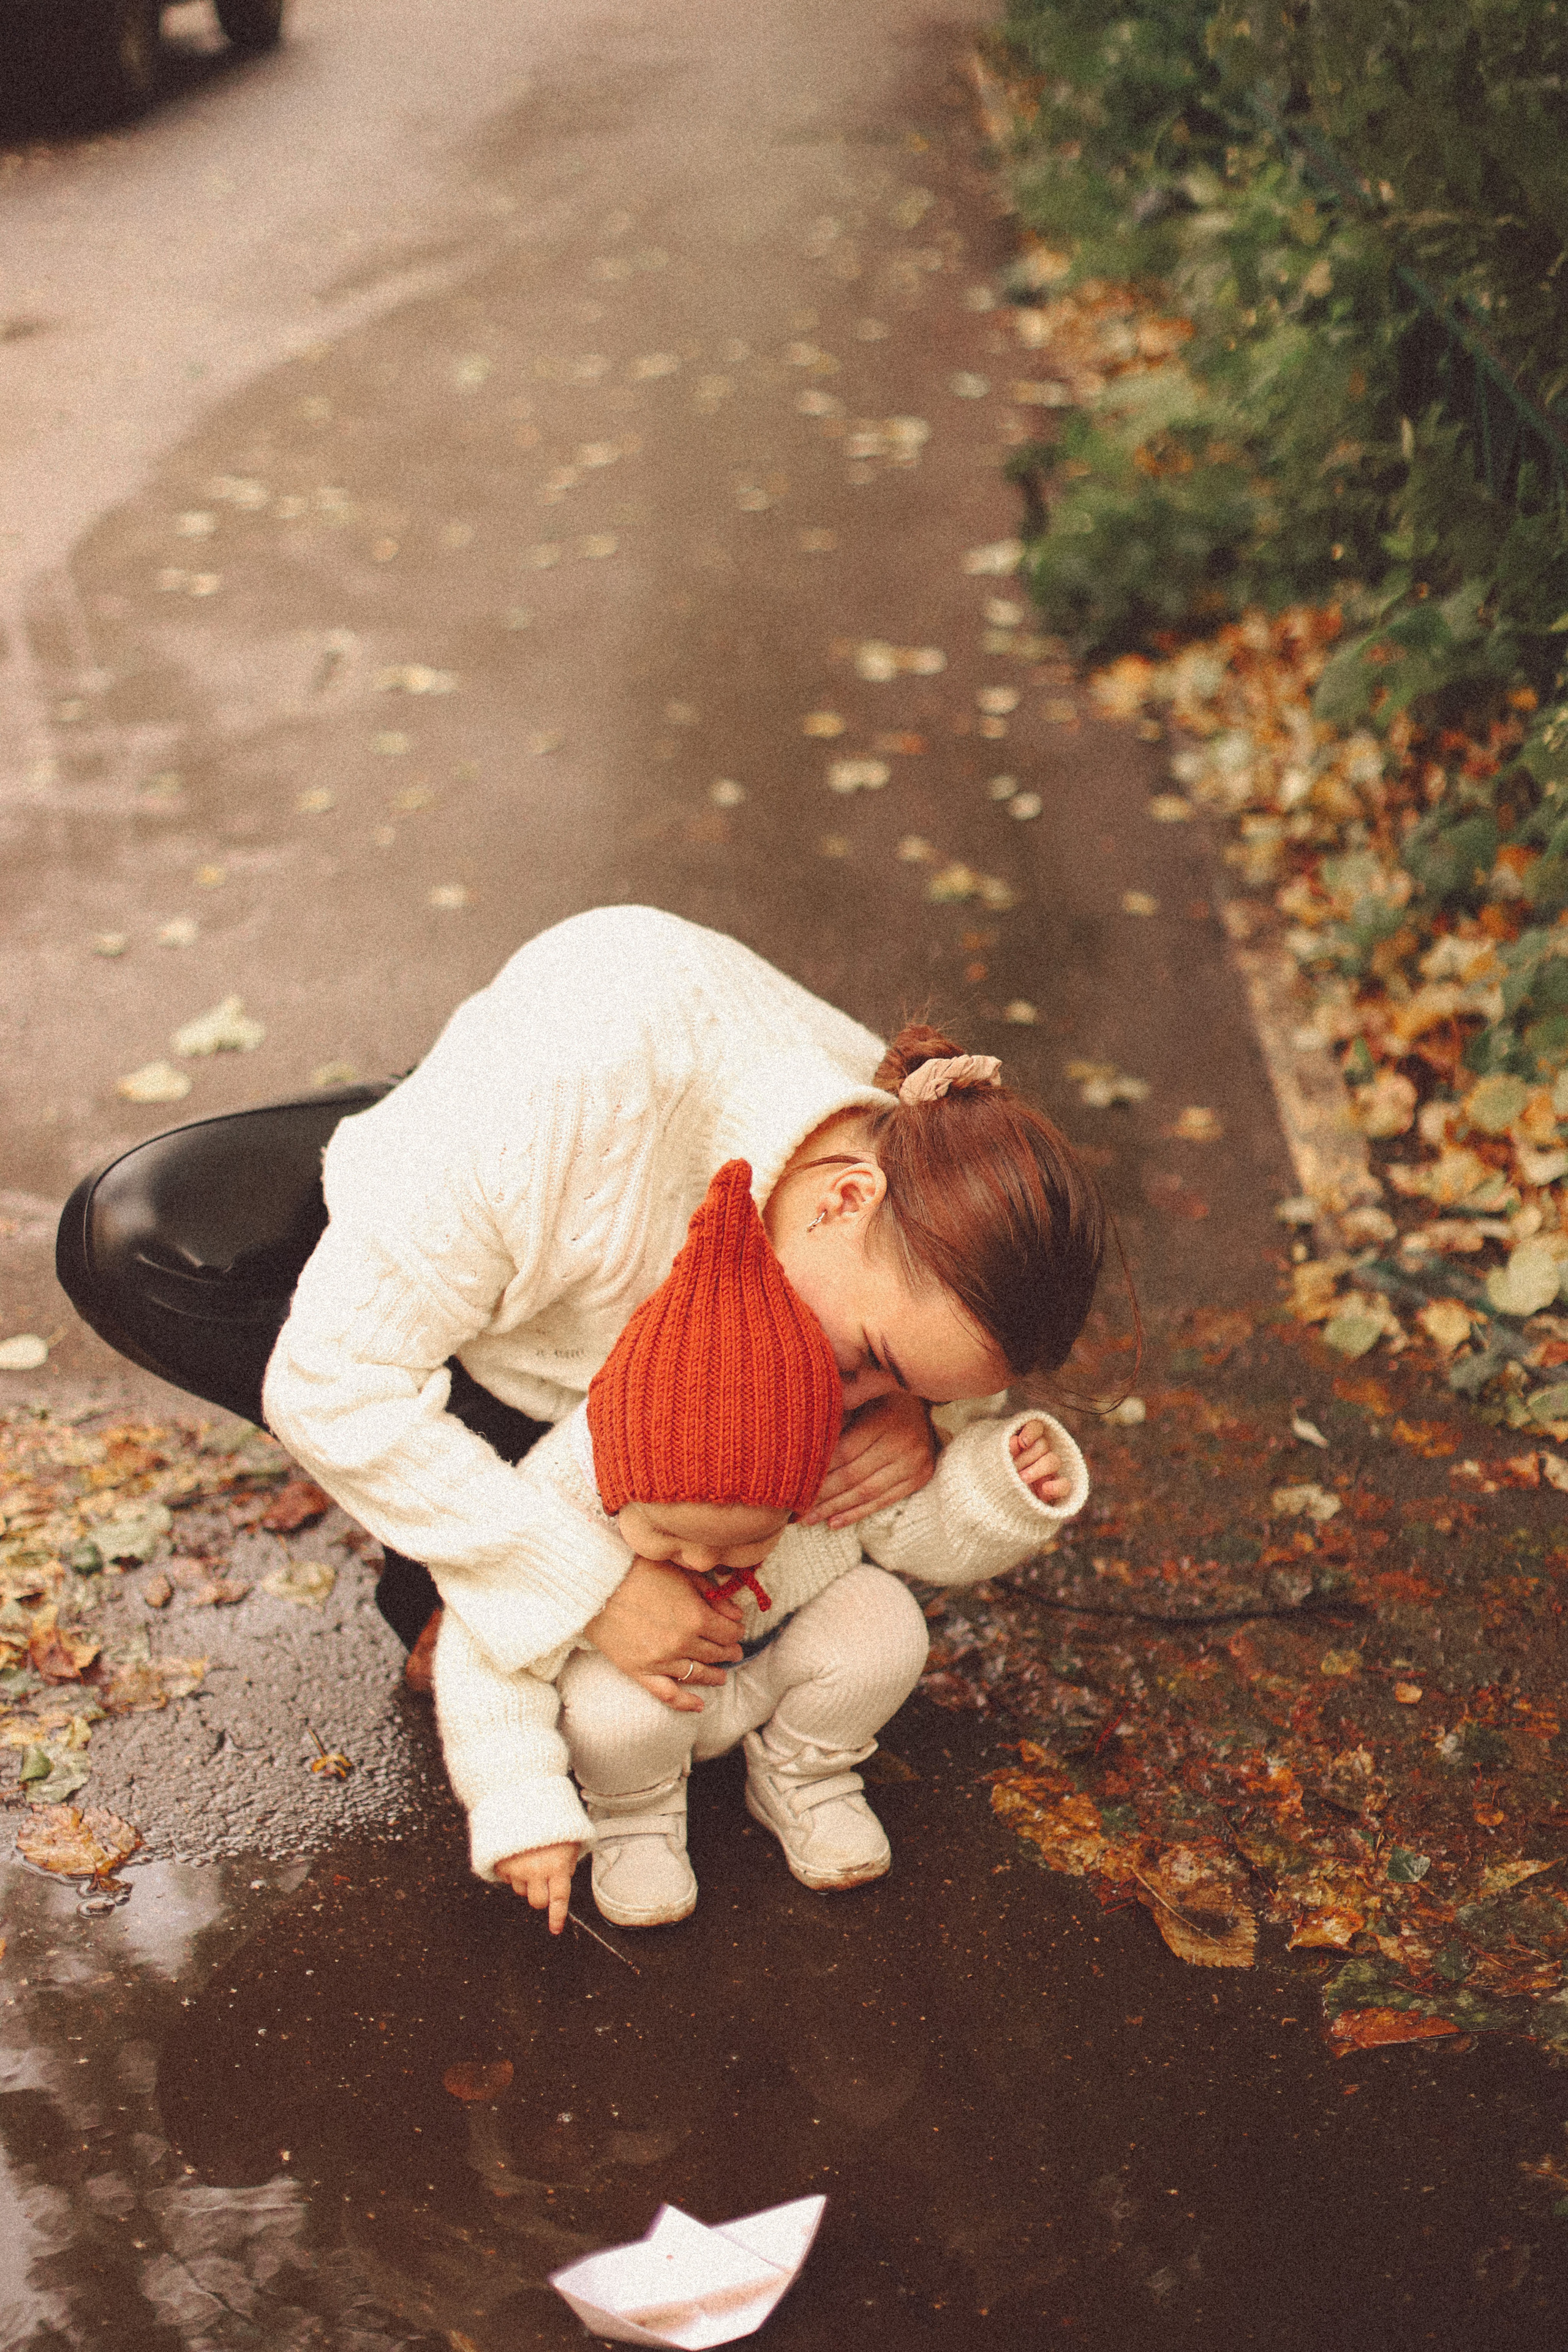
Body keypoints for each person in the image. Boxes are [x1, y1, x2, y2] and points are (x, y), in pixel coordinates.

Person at [259, 906, 1106, 1698]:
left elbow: (950, 1350)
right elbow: (327, 1382)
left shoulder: (921, 1176)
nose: (850, 1410)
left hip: (605, 1348)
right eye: (867, 1365)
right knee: (143, 1237)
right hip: (495, 1246)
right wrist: (587, 1587)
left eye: (908, 1388)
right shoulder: (556, 1108)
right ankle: (449, 1567)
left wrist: (929, 1424)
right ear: (846, 1200)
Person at [432, 1158, 1088, 1931]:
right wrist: (523, 1811)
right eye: (668, 1536)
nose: (705, 1563)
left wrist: (996, 1489)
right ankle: (634, 1813)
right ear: (614, 1474)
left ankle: (803, 1768)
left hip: (772, 1669)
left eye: (747, 1542)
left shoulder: (811, 1445)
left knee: (885, 1622)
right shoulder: (573, 1483)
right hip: (639, 1699)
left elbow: (917, 1537)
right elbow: (485, 1657)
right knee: (615, 1718)